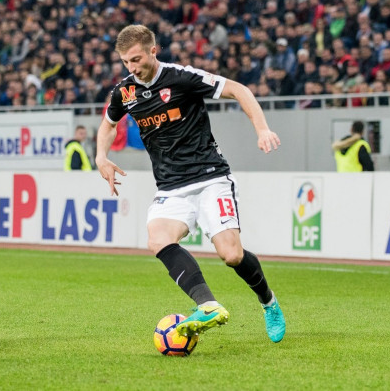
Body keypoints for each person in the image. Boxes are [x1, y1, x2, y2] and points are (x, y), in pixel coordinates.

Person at [96, 25, 285, 343]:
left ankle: (269, 303)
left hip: (210, 177)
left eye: (137, 59)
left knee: (232, 255)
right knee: (157, 239)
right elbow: (107, 125)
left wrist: (262, 129)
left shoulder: (181, 77)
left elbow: (239, 90)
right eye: (126, 62)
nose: (132, 68)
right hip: (170, 187)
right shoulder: (125, 92)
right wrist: (101, 157)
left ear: (153, 51)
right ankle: (208, 305)